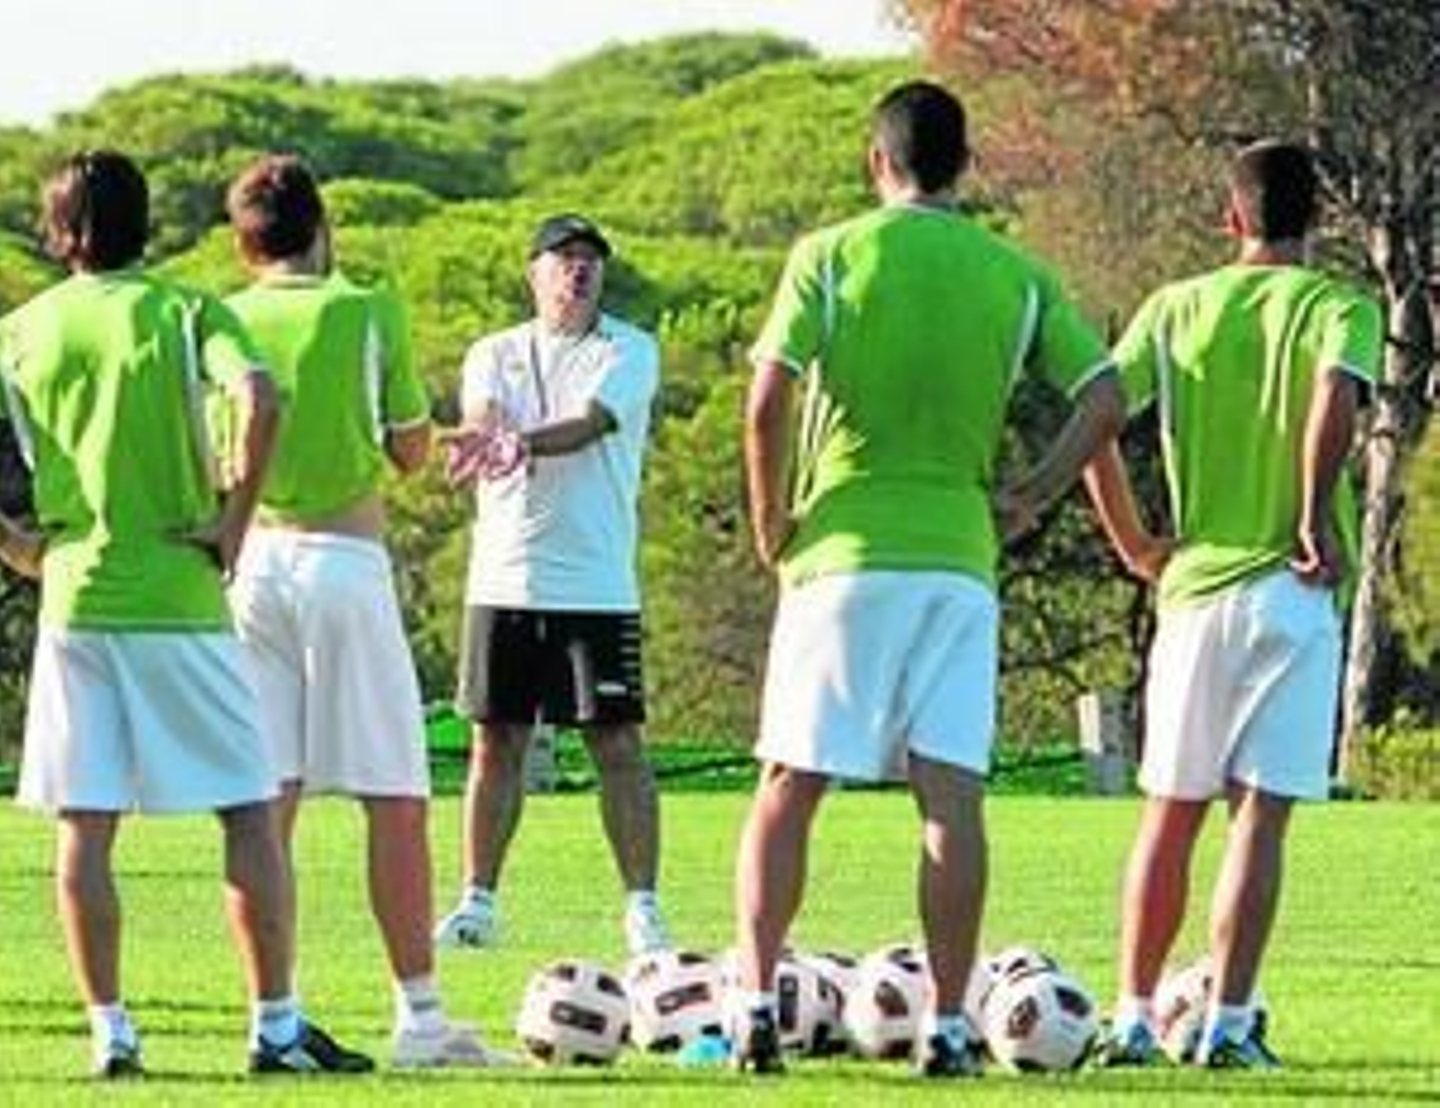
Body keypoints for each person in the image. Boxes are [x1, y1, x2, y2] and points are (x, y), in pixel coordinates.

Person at [0, 150, 370, 1080]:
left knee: (86, 825)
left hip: (75, 602)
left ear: (57, 232)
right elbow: (260, 395)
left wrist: (15, 546)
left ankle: (110, 1032)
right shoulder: (188, 310)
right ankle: (276, 1029)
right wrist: (234, 522)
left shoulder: (25, 328)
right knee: (245, 809)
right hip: (180, 597)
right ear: (144, 225)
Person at [731, 80, 1126, 1077]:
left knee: (789, 785)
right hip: (958, 558)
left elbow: (766, 395)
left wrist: (771, 513)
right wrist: (1033, 489)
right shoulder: (1014, 272)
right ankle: (948, 1026)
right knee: (950, 801)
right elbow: (1106, 392)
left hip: (842, 554)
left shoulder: (828, 255)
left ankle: (751, 1008)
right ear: (965, 167)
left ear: (877, 163)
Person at [1086, 140, 1382, 1070]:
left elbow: (1094, 410)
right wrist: (1310, 514)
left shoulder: (1175, 308)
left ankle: (1131, 1016)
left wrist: (1132, 539)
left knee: (1170, 812)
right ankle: (1227, 1022)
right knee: (1260, 814)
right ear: (1318, 220)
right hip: (1291, 592)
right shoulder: (1341, 305)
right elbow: (1336, 394)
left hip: (1193, 593)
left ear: (1231, 218)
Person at [221, 154, 502, 1067]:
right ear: (321, 225)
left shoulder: (217, 319)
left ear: (243, 240)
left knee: (265, 807)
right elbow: (411, 450)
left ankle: (274, 1016)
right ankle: (420, 1019)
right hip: (343, 561)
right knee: (394, 798)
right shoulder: (363, 305)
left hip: (251, 564)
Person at [433, 213, 672, 956]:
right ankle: (476, 903)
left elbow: (589, 424)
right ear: (533, 273)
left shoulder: (628, 349)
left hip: (595, 584)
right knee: (494, 742)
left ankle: (642, 909)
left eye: (591, 261)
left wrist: (516, 444)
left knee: (617, 744)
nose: (579, 271)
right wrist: (481, 433)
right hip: (503, 580)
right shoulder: (494, 352)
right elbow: (483, 413)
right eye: (564, 259)